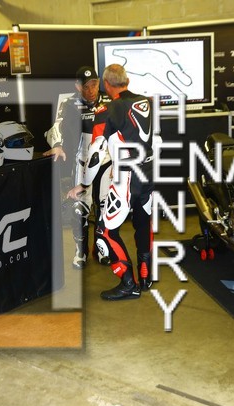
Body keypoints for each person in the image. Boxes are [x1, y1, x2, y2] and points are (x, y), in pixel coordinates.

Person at [67, 64, 154, 300]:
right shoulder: (145, 102)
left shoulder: (107, 110)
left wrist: (84, 185)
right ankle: (146, 275)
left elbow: (96, 154)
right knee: (143, 223)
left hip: (127, 178)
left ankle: (128, 283)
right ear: (127, 80)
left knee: (105, 231)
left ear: (106, 84)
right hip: (148, 174)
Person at [44, 66, 113, 269]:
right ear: (77, 86)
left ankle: (102, 248)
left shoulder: (109, 101)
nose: (91, 90)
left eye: (94, 85)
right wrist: (57, 145)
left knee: (105, 208)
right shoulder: (70, 103)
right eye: (86, 86)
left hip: (106, 163)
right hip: (82, 163)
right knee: (79, 209)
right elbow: (56, 127)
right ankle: (80, 251)